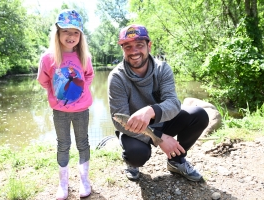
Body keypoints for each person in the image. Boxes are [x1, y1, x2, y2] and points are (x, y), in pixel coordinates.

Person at [108, 24, 209, 182]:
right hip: (134, 130)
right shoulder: (117, 78)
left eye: (139, 45)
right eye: (128, 47)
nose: (134, 51)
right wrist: (160, 138)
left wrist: (150, 111)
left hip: (161, 121)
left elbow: (174, 104)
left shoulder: (163, 69)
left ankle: (176, 161)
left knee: (199, 115)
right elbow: (120, 122)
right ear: (122, 49)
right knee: (136, 155)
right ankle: (131, 164)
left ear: (149, 45)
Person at [37, 9, 94, 199]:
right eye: (66, 31)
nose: (71, 36)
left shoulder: (84, 56)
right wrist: (56, 94)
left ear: (80, 35)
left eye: (75, 32)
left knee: (83, 143)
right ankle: (63, 184)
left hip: (82, 110)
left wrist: (79, 92)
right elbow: (43, 80)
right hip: (60, 112)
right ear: (58, 33)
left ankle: (84, 180)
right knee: (63, 145)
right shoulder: (48, 58)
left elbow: (89, 76)